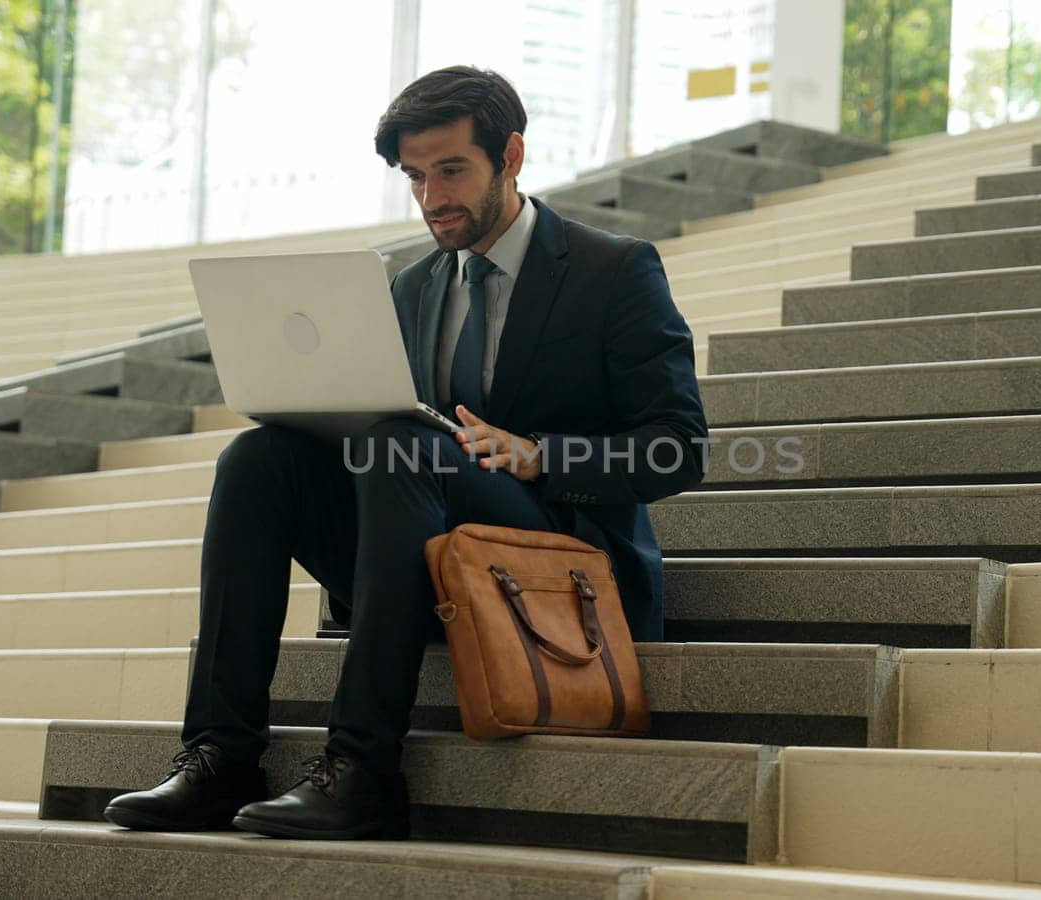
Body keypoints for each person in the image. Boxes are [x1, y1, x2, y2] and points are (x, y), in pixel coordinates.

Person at [103, 65, 707, 840]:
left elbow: (679, 450)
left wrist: (536, 455)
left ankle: (363, 770)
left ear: (512, 156)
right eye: (415, 178)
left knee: (399, 447)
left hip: (559, 562)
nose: (432, 198)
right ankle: (220, 754)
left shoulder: (614, 270)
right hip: (428, 551)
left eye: (451, 170)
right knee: (258, 460)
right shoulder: (412, 286)